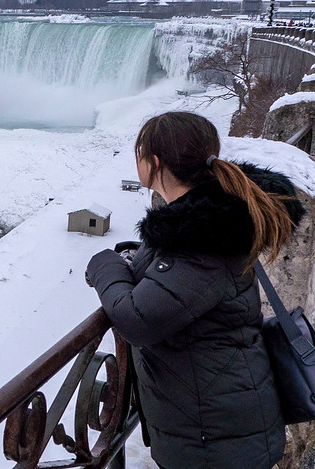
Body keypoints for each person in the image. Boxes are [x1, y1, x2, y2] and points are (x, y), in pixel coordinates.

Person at [85, 111, 305, 469]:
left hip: (217, 439)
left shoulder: (203, 240)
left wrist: (102, 264)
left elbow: (136, 319)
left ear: (154, 163)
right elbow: (173, 276)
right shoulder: (207, 220)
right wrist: (134, 256)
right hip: (219, 419)